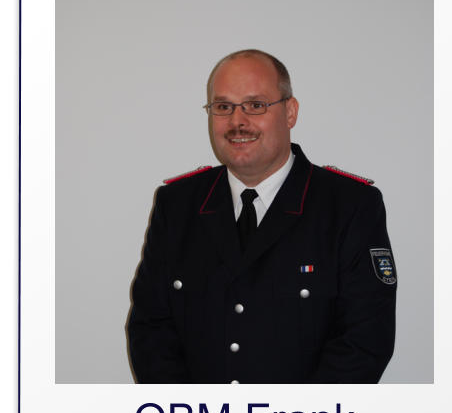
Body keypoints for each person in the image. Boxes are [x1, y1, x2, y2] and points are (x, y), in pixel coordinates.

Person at [128, 49, 397, 384]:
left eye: (255, 105)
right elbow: (151, 329)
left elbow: (365, 341)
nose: (237, 122)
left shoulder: (348, 206)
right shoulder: (178, 205)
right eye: (223, 107)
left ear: (290, 112)